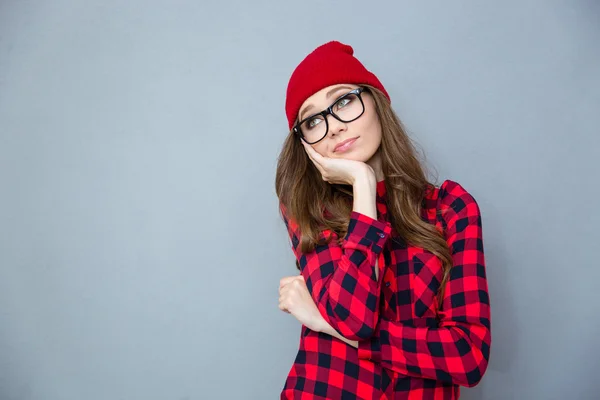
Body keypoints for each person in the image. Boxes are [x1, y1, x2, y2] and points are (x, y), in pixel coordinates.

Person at [275, 41, 491, 400]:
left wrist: (324, 323)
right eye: (313, 120)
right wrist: (362, 185)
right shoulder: (308, 207)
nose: (333, 127)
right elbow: (353, 317)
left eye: (344, 101)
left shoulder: (451, 208)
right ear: (305, 143)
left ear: (377, 101)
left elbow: (468, 357)